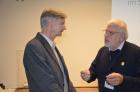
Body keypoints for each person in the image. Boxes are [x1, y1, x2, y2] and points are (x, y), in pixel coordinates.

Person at [23, 9, 76, 92]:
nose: (65, 27)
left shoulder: (52, 47)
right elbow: (47, 85)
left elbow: (65, 80)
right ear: (50, 24)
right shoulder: (33, 47)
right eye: (62, 23)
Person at [81, 19, 140, 92]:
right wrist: (88, 75)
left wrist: (123, 80)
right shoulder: (102, 51)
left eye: (110, 33)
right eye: (106, 31)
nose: (106, 35)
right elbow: (93, 71)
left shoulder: (136, 52)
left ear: (121, 37)